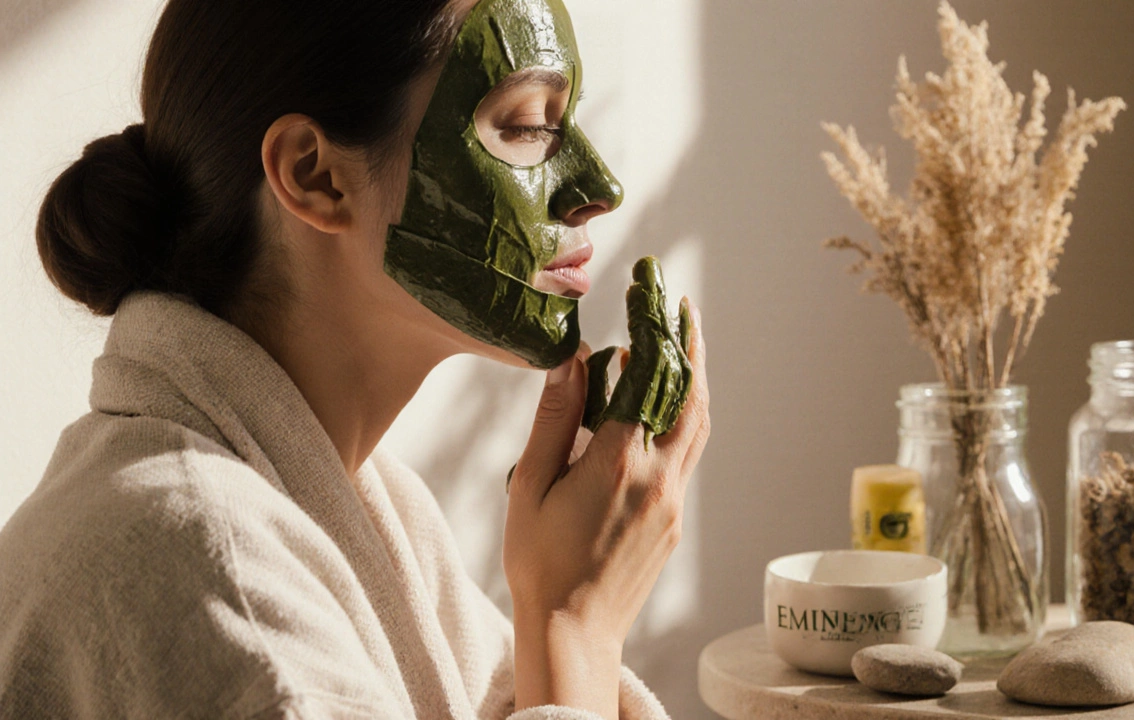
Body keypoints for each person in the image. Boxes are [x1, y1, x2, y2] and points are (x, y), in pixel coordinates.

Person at [0, 0, 711, 718]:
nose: (599, 188)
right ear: (315, 176)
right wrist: (573, 622)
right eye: (527, 125)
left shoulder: (374, 512)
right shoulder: (213, 574)